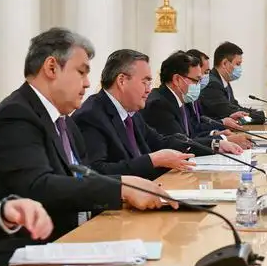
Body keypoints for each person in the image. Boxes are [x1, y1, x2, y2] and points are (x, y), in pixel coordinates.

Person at [0, 28, 168, 266]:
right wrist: (121, 187)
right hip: (19, 260)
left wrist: (127, 187)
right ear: (51, 68)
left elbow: (85, 176)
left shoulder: (65, 122)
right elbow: (39, 187)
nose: (87, 83)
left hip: (68, 242)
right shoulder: (15, 116)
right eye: (81, 72)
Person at [73, 49, 200, 180]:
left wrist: (209, 145)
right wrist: (153, 160)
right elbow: (97, 172)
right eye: (145, 82)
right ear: (122, 81)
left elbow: (159, 142)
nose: (149, 90)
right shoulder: (91, 116)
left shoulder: (131, 112)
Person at [140, 51, 244, 155]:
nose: (199, 85)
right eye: (196, 80)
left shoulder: (180, 98)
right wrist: (220, 142)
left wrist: (217, 135)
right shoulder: (159, 105)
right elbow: (181, 144)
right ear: (177, 80)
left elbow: (192, 133)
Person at [199, 41, 267, 124]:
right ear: (224, 63)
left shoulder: (223, 81)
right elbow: (230, 112)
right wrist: (265, 115)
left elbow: (236, 107)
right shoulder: (212, 83)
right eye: (238, 64)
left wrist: (263, 113)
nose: (239, 68)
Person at [186, 48, 252, 148]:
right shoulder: (211, 84)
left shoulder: (192, 95)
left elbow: (198, 125)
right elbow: (186, 138)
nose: (205, 77)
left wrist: (216, 133)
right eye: (205, 72)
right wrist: (222, 137)